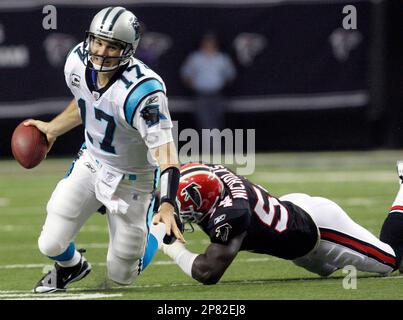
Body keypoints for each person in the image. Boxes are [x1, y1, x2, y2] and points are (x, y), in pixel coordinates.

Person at [24, 6, 184, 293]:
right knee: (50, 242)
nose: (101, 51)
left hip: (134, 178)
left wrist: (168, 203)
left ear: (129, 50)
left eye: (112, 46)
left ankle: (157, 230)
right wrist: (52, 129)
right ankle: (72, 266)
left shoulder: (143, 92)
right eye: (98, 41)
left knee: (121, 274)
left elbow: (168, 155)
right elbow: (87, 102)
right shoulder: (76, 60)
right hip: (93, 161)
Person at [161, 162, 403, 284]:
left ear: (204, 203)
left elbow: (208, 272)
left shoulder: (232, 215)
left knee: (393, 262)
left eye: (184, 210)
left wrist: (169, 247)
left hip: (321, 228)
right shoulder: (210, 175)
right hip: (292, 227)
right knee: (327, 271)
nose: (179, 214)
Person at [180, 33, 236, 136]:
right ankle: (209, 149)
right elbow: (185, 73)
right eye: (206, 43)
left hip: (217, 94)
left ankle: (218, 149)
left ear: (215, 44)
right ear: (202, 44)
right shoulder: (195, 58)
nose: (209, 45)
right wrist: (192, 85)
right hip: (201, 95)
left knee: (218, 122)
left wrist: (222, 84)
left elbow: (230, 74)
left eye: (211, 43)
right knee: (205, 122)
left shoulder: (222, 58)